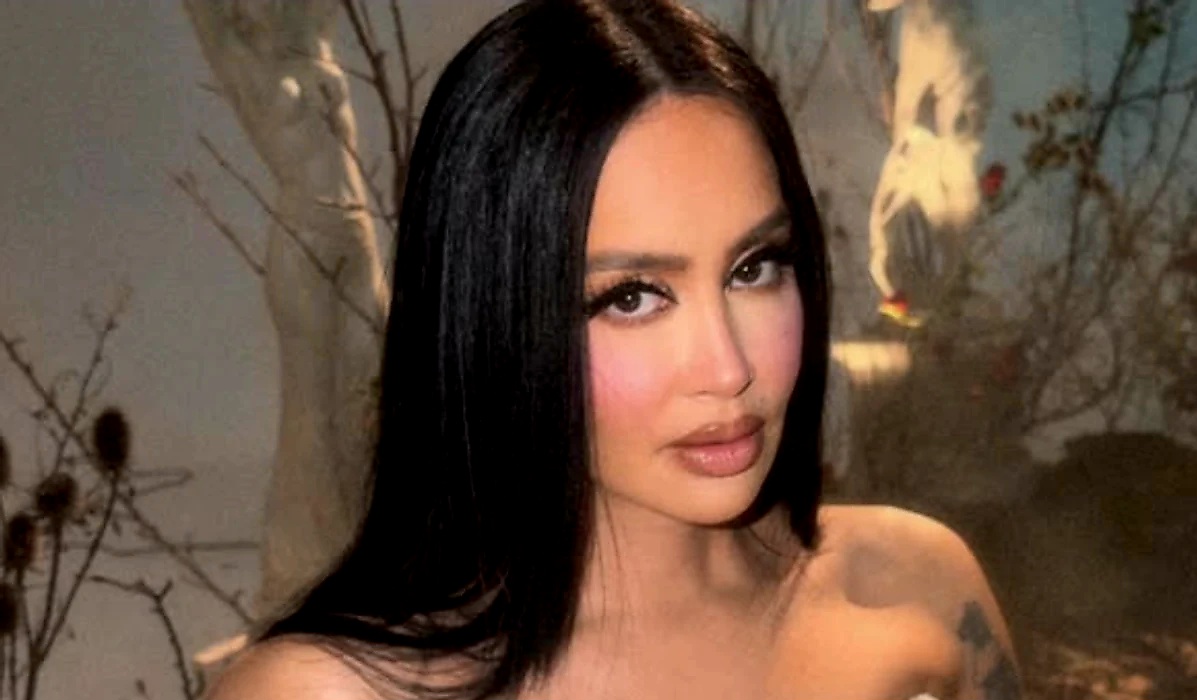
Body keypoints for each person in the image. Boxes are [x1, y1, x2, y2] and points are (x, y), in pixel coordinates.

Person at [207, 0, 1020, 698]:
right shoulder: (330, 691)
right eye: (631, 297)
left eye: (754, 268)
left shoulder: (916, 587)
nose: (727, 368)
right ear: (495, 319)